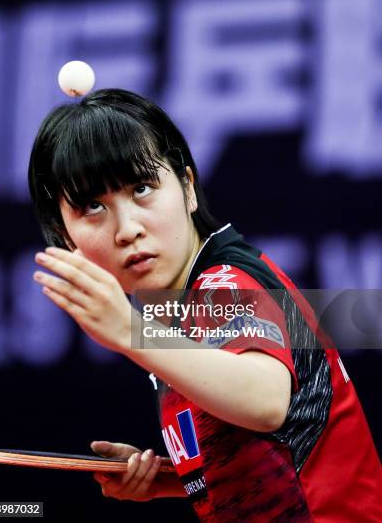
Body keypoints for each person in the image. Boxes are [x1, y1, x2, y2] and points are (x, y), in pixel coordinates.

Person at [28, 88, 382, 522]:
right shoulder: (173, 308)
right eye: (93, 207)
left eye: (142, 188)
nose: (127, 229)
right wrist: (175, 479)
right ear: (67, 239)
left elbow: (267, 401)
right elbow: (285, 443)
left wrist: (130, 333)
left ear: (188, 189)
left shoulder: (224, 285)